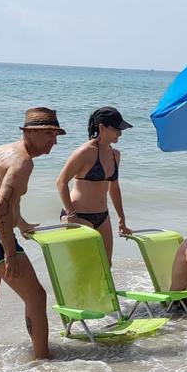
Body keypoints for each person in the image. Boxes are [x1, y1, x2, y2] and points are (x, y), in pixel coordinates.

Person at [0, 107, 64, 360]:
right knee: (37, 297)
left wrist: (22, 224)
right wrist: (9, 252)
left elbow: (1, 201)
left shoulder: (2, 151)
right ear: (29, 132)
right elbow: (1, 205)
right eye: (49, 133)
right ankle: (43, 360)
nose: (54, 140)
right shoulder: (23, 161)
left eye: (56, 134)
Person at [56, 106, 133, 258]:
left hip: (102, 216)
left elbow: (114, 188)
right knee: (83, 266)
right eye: (117, 128)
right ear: (102, 127)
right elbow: (61, 182)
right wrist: (71, 214)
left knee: (106, 264)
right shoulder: (85, 152)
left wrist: (121, 218)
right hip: (78, 215)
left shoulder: (115, 155)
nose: (120, 133)